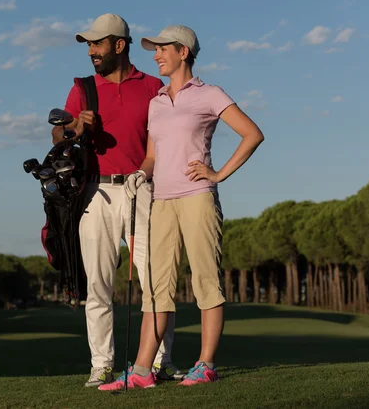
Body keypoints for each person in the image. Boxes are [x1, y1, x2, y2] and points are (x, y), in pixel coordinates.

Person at [98, 24, 265, 391]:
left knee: (206, 279)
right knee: (156, 288)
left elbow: (252, 134)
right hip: (161, 200)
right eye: (154, 50)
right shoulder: (156, 101)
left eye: (162, 49)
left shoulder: (209, 94)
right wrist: (139, 174)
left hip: (197, 197)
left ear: (183, 52)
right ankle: (142, 370)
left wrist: (218, 173)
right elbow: (154, 155)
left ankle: (206, 364)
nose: (156, 55)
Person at [52, 13, 184, 388]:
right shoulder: (83, 88)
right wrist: (74, 127)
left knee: (155, 281)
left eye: (98, 44)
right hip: (95, 192)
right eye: (89, 45)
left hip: (142, 188)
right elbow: (57, 136)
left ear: (119, 45)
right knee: (98, 285)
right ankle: (101, 364)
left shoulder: (153, 87)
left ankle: (159, 361)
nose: (92, 51)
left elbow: (166, 141)